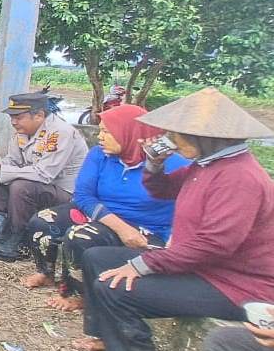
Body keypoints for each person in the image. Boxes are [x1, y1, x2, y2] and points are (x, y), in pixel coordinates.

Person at [80, 87, 274, 351]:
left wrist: (145, 263)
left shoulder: (240, 178)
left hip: (233, 283)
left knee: (115, 286)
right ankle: (105, 332)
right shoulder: (206, 166)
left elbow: (215, 244)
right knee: (97, 258)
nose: (169, 138)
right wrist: (154, 164)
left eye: (176, 133)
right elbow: (163, 190)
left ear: (201, 136)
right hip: (201, 266)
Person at [21, 104, 188, 313]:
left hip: (145, 229)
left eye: (107, 132)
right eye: (100, 130)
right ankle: (46, 272)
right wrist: (120, 227)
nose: (100, 137)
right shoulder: (100, 155)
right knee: (43, 221)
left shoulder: (173, 164)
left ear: (131, 134)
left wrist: (172, 241)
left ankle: (81, 294)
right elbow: (83, 196)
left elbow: (189, 208)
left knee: (79, 237)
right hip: (101, 214)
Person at [0, 91, 89, 261]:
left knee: (20, 186)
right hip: (39, 186)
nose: (14, 122)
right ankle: (1, 226)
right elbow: (13, 161)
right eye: (12, 117)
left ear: (39, 115)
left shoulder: (60, 133)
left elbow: (44, 174)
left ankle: (19, 240)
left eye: (19, 117)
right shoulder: (23, 132)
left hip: (65, 194)